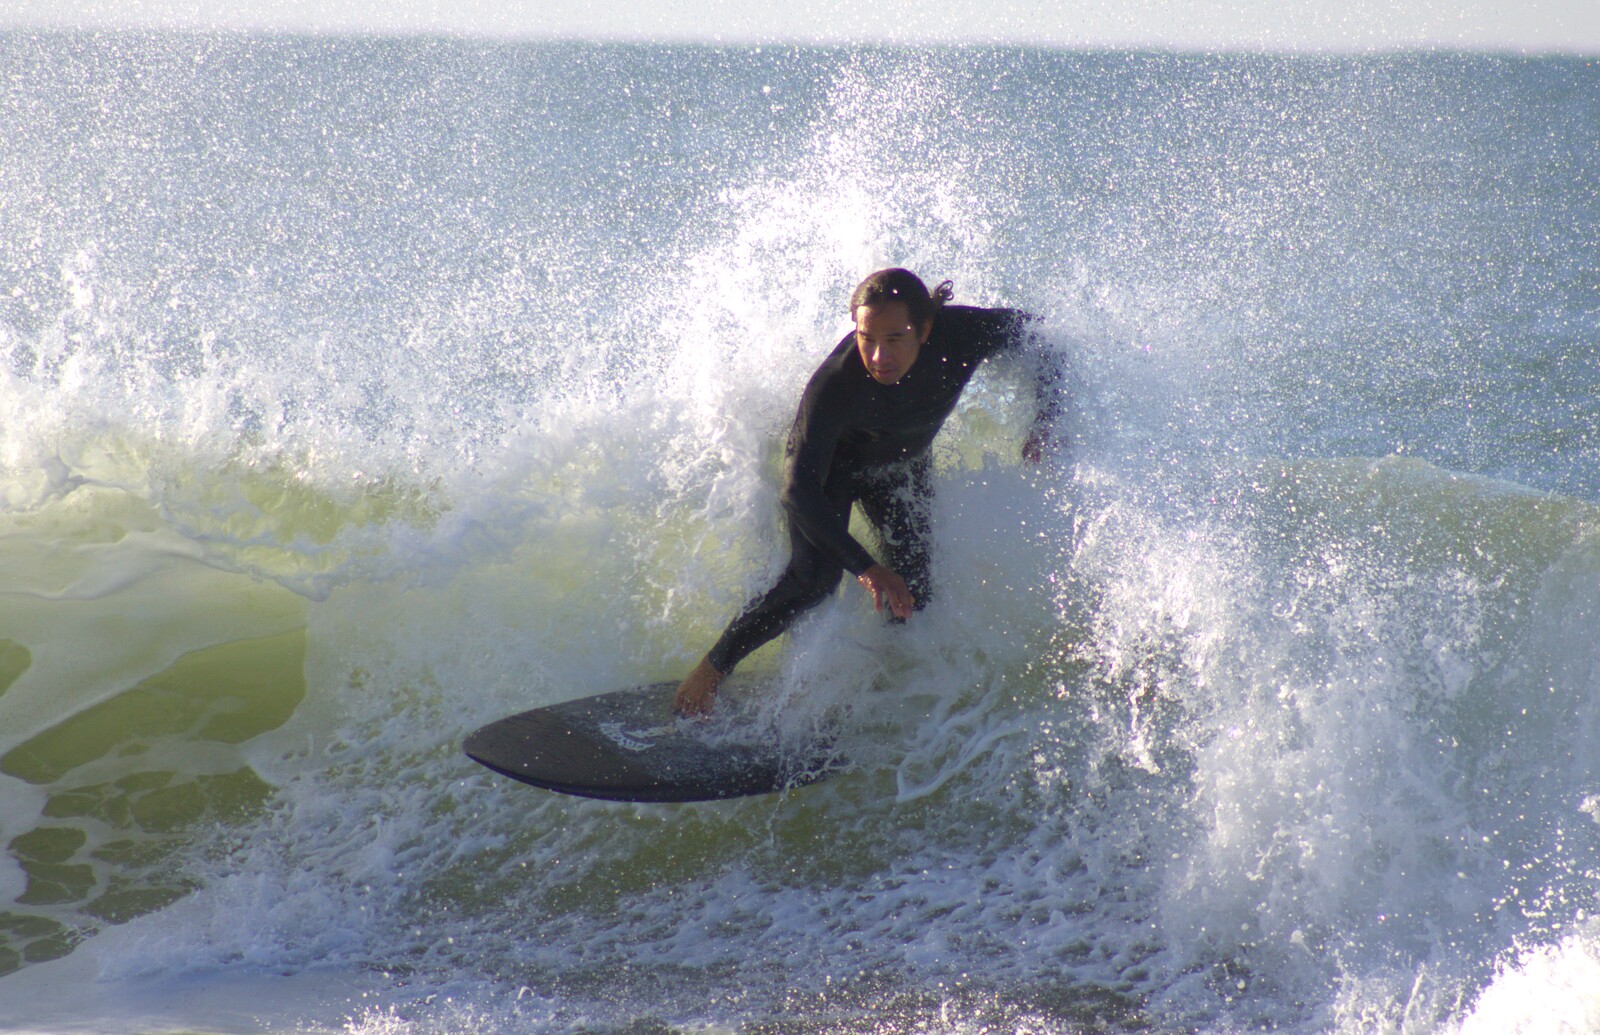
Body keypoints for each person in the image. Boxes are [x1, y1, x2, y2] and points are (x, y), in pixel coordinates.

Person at [674, 268, 1065, 716]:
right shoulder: (835, 386)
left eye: (895, 339)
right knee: (813, 581)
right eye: (866, 337)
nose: (878, 356)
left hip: (901, 465)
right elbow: (797, 491)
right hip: (833, 471)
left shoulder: (964, 335)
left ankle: (886, 690)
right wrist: (866, 569)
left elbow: (1040, 337)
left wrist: (1048, 418)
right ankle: (708, 674)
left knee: (916, 589)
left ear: (925, 329)